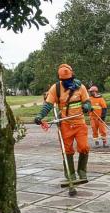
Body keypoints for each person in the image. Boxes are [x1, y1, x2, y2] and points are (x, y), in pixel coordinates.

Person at [34, 64, 91, 196]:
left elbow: (87, 101)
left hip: (79, 123)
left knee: (84, 147)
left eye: (69, 80)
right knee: (67, 151)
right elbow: (48, 104)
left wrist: (87, 106)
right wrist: (40, 116)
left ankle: (82, 171)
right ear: (60, 79)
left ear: (72, 76)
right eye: (64, 81)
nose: (67, 82)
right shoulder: (56, 88)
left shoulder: (80, 87)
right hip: (65, 124)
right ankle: (70, 177)